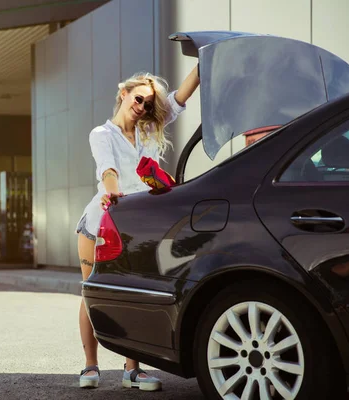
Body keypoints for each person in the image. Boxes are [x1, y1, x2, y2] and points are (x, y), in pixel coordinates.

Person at [75, 68, 200, 390]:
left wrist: (203, 63)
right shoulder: (101, 134)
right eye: (138, 98)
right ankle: (90, 365)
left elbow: (180, 97)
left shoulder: (149, 131)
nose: (143, 106)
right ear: (123, 94)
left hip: (140, 224)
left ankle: (133, 370)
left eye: (148, 103)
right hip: (102, 221)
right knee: (91, 292)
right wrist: (113, 192)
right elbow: (108, 170)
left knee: (134, 294)